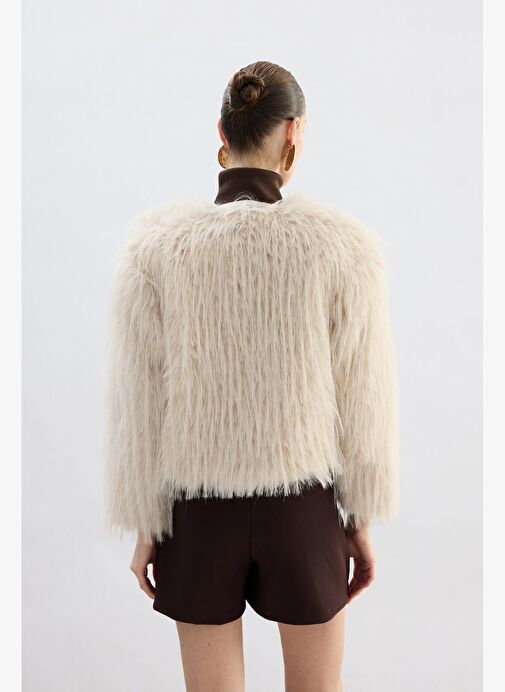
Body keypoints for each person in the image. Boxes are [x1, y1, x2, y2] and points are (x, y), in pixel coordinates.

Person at [103, 60, 400, 692]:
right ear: (294, 133)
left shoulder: (156, 252)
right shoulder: (340, 248)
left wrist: (147, 524)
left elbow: (140, 405)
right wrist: (358, 519)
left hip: (197, 514)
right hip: (304, 511)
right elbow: (362, 401)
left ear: (222, 131)